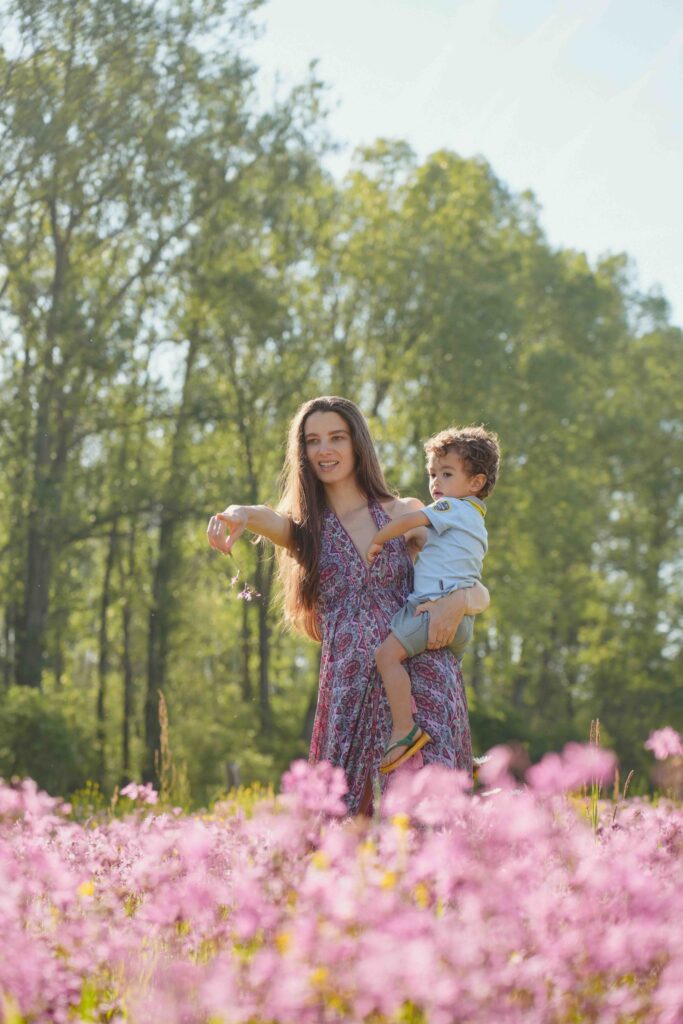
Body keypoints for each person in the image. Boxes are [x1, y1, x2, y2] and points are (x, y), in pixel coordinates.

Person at [206, 396, 489, 815]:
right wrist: (236, 514)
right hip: (349, 687)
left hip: (419, 675)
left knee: (430, 816)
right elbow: (265, 517)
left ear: (357, 444)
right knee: (348, 823)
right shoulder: (310, 532)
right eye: (313, 441)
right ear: (301, 452)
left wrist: (460, 601)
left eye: (337, 437)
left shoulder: (404, 513)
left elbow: (476, 588)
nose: (325, 450)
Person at [367, 426, 500, 773]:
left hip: (433, 607)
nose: (435, 482)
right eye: (432, 474)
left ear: (475, 483)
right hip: (461, 624)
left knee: (386, 656)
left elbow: (412, 519)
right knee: (450, 682)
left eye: (446, 473)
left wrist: (379, 538)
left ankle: (403, 729)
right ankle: (463, 751)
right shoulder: (477, 520)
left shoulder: (450, 507)